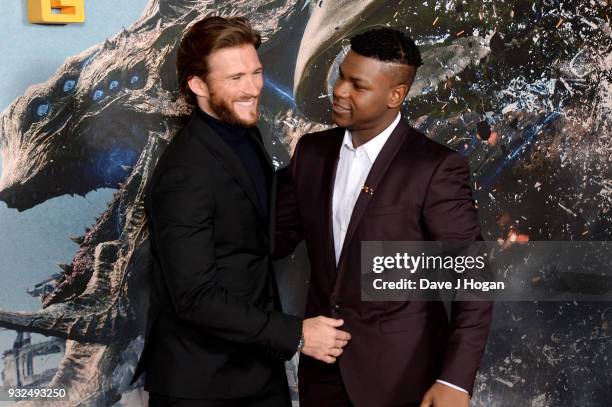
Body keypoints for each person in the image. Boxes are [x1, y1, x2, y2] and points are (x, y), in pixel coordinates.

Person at [130, 16, 350, 407]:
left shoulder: (241, 132)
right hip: (203, 386)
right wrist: (298, 335)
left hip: (256, 370)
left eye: (257, 72)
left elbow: (252, 230)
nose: (253, 88)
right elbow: (195, 297)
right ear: (198, 85)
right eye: (236, 78)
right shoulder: (185, 173)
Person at [275, 27, 493, 407]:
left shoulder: (435, 168)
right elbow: (272, 239)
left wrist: (455, 381)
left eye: (357, 85)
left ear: (396, 95)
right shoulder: (310, 154)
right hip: (322, 377)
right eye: (342, 75)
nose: (340, 90)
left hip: (404, 380)